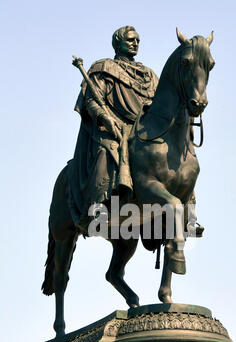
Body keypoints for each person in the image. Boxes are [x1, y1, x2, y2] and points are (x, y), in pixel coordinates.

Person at [67, 26, 158, 234]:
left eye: (138, 40)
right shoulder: (104, 68)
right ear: (118, 43)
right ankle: (97, 206)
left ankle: (184, 214)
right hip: (112, 127)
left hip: (142, 131)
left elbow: (158, 104)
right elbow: (91, 100)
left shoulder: (149, 76)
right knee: (107, 151)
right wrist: (105, 119)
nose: (135, 43)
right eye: (131, 40)